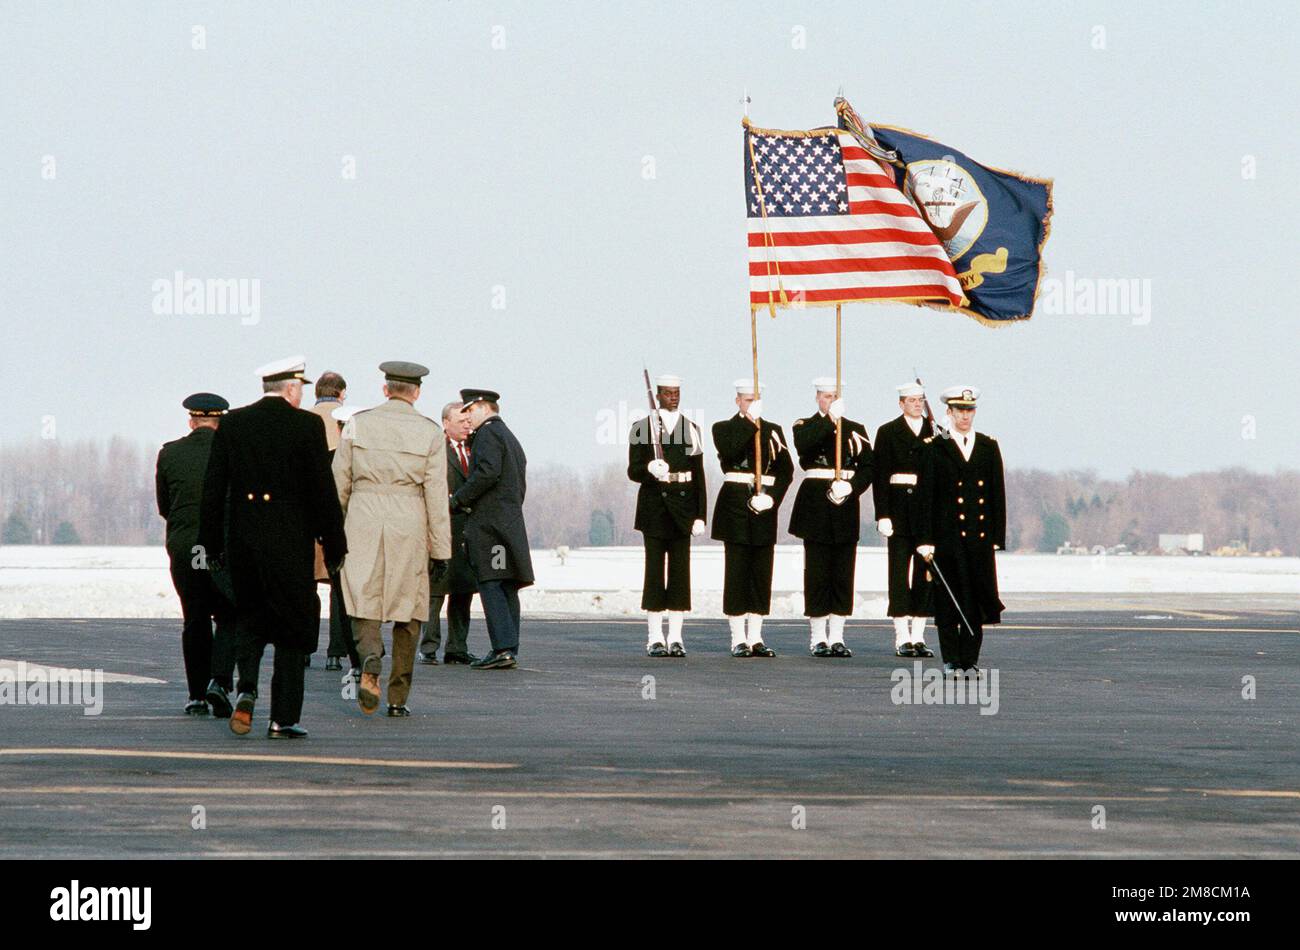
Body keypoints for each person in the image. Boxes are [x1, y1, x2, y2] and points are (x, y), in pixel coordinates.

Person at [198, 357, 346, 739]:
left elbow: (214, 490)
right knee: (292, 630)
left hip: (244, 539)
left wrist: (211, 544)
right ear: (293, 389)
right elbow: (322, 493)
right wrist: (334, 545)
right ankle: (283, 717)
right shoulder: (307, 426)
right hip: (291, 542)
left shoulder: (233, 424)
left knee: (250, 617)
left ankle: (246, 689)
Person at [333, 363, 452, 716]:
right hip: (409, 519)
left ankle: (370, 656)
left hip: (363, 515)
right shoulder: (430, 432)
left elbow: (340, 481)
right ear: (416, 392)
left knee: (363, 594)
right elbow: (436, 494)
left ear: (386, 389)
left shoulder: (358, 423)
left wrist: (334, 530)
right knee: (410, 605)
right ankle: (398, 697)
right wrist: (441, 548)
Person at [155, 392, 237, 716]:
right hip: (220, 547)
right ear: (221, 421)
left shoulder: (170, 453)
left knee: (195, 617)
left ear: (191, 421)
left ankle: (196, 696)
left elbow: (165, 507)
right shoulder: (232, 453)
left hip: (186, 546)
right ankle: (220, 681)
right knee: (230, 614)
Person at [916, 386, 1006, 676]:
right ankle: (952, 660)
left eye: (970, 410)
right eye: (960, 411)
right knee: (948, 603)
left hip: (978, 539)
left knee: (975, 601)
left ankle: (970, 660)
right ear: (949, 412)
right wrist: (925, 540)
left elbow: (996, 495)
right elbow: (925, 497)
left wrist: (996, 536)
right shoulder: (934, 446)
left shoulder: (988, 446)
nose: (965, 416)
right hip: (946, 539)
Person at [789, 377, 873, 658]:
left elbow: (869, 466)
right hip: (815, 505)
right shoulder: (804, 425)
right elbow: (805, 447)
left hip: (845, 503)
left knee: (842, 574)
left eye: (834, 396)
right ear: (817, 398)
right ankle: (818, 638)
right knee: (817, 573)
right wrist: (829, 421)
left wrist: (852, 486)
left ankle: (837, 636)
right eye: (826, 396)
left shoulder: (856, 430)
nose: (830, 400)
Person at [450, 389, 534, 670]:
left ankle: (501, 648)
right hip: (507, 525)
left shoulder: (487, 435)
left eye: (469, 411)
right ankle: (508, 646)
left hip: (490, 528)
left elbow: (487, 472)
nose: (467, 418)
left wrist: (458, 499)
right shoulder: (509, 437)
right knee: (506, 583)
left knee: (492, 583)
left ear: (483, 407)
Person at [710, 379, 792, 657]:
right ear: (737, 401)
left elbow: (786, 470)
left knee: (760, 573)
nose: (751, 403)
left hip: (763, 506)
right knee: (736, 573)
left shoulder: (774, 431)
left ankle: (755, 636)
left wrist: (773, 496)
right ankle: (737, 639)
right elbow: (730, 452)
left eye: (755, 399)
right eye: (746, 399)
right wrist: (750, 423)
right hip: (734, 505)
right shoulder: (723, 428)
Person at [628, 374, 706, 657]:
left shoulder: (692, 428)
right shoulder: (642, 428)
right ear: (657, 395)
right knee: (654, 575)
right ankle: (654, 637)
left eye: (677, 392)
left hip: (683, 509)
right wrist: (650, 468)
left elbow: (699, 476)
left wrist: (700, 515)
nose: (674, 397)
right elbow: (632, 470)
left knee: (680, 575)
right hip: (655, 509)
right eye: (668, 393)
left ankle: (675, 637)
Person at [872, 383, 936, 658]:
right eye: (912, 400)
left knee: (925, 576)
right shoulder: (887, 432)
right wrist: (882, 514)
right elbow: (880, 477)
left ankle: (919, 636)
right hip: (898, 511)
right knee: (898, 575)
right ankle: (902, 637)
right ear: (901, 403)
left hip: (926, 513)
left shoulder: (934, 432)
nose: (917, 404)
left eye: (920, 400)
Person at [418, 401, 480, 666]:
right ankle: (429, 647)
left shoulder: (475, 448)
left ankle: (457, 648)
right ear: (446, 423)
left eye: (469, 420)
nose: (467, 425)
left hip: (467, 531)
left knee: (463, 591)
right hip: (442, 527)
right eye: (461, 420)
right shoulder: (435, 450)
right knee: (435, 592)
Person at [306, 371, 351, 671]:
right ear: (342, 393)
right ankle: (336, 652)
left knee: (305, 587)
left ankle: (305, 648)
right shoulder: (349, 423)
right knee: (340, 587)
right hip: (337, 515)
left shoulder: (302, 420)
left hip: (304, 517)